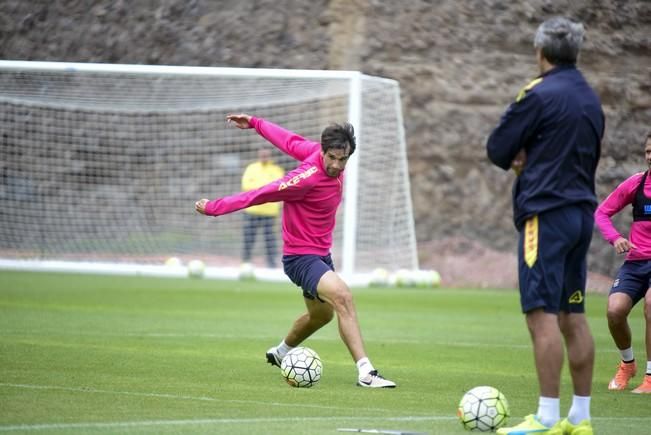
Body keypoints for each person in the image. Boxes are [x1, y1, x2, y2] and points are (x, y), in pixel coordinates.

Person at [195, 113, 396, 388]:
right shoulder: (305, 178)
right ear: (323, 151)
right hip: (300, 257)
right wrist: (215, 207)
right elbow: (261, 193)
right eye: (332, 158)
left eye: (343, 159)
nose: (337, 165)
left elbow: (287, 140)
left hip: (321, 254)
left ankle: (280, 353)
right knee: (344, 298)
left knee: (322, 316)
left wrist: (255, 123)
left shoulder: (320, 152)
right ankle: (366, 373)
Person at [486, 17, 604, 435]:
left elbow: (498, 148)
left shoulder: (537, 94)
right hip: (581, 215)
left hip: (545, 215)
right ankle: (582, 417)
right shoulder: (591, 98)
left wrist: (522, 154)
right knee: (574, 313)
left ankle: (547, 417)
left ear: (540, 52)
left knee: (541, 315)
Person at [594, 132, 651, 394]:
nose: (650, 156)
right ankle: (628, 364)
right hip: (636, 262)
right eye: (648, 151)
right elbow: (602, 213)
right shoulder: (636, 185)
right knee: (615, 311)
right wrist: (615, 238)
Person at [241, 148, 284, 268]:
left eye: (266, 154)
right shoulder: (251, 168)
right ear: (258, 154)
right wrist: (266, 189)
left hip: (270, 211)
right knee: (249, 237)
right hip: (252, 209)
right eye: (262, 154)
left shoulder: (277, 170)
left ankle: (271, 264)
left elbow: (279, 188)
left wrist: (260, 189)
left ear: (270, 155)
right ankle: (245, 261)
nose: (264, 156)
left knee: (270, 239)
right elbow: (246, 185)